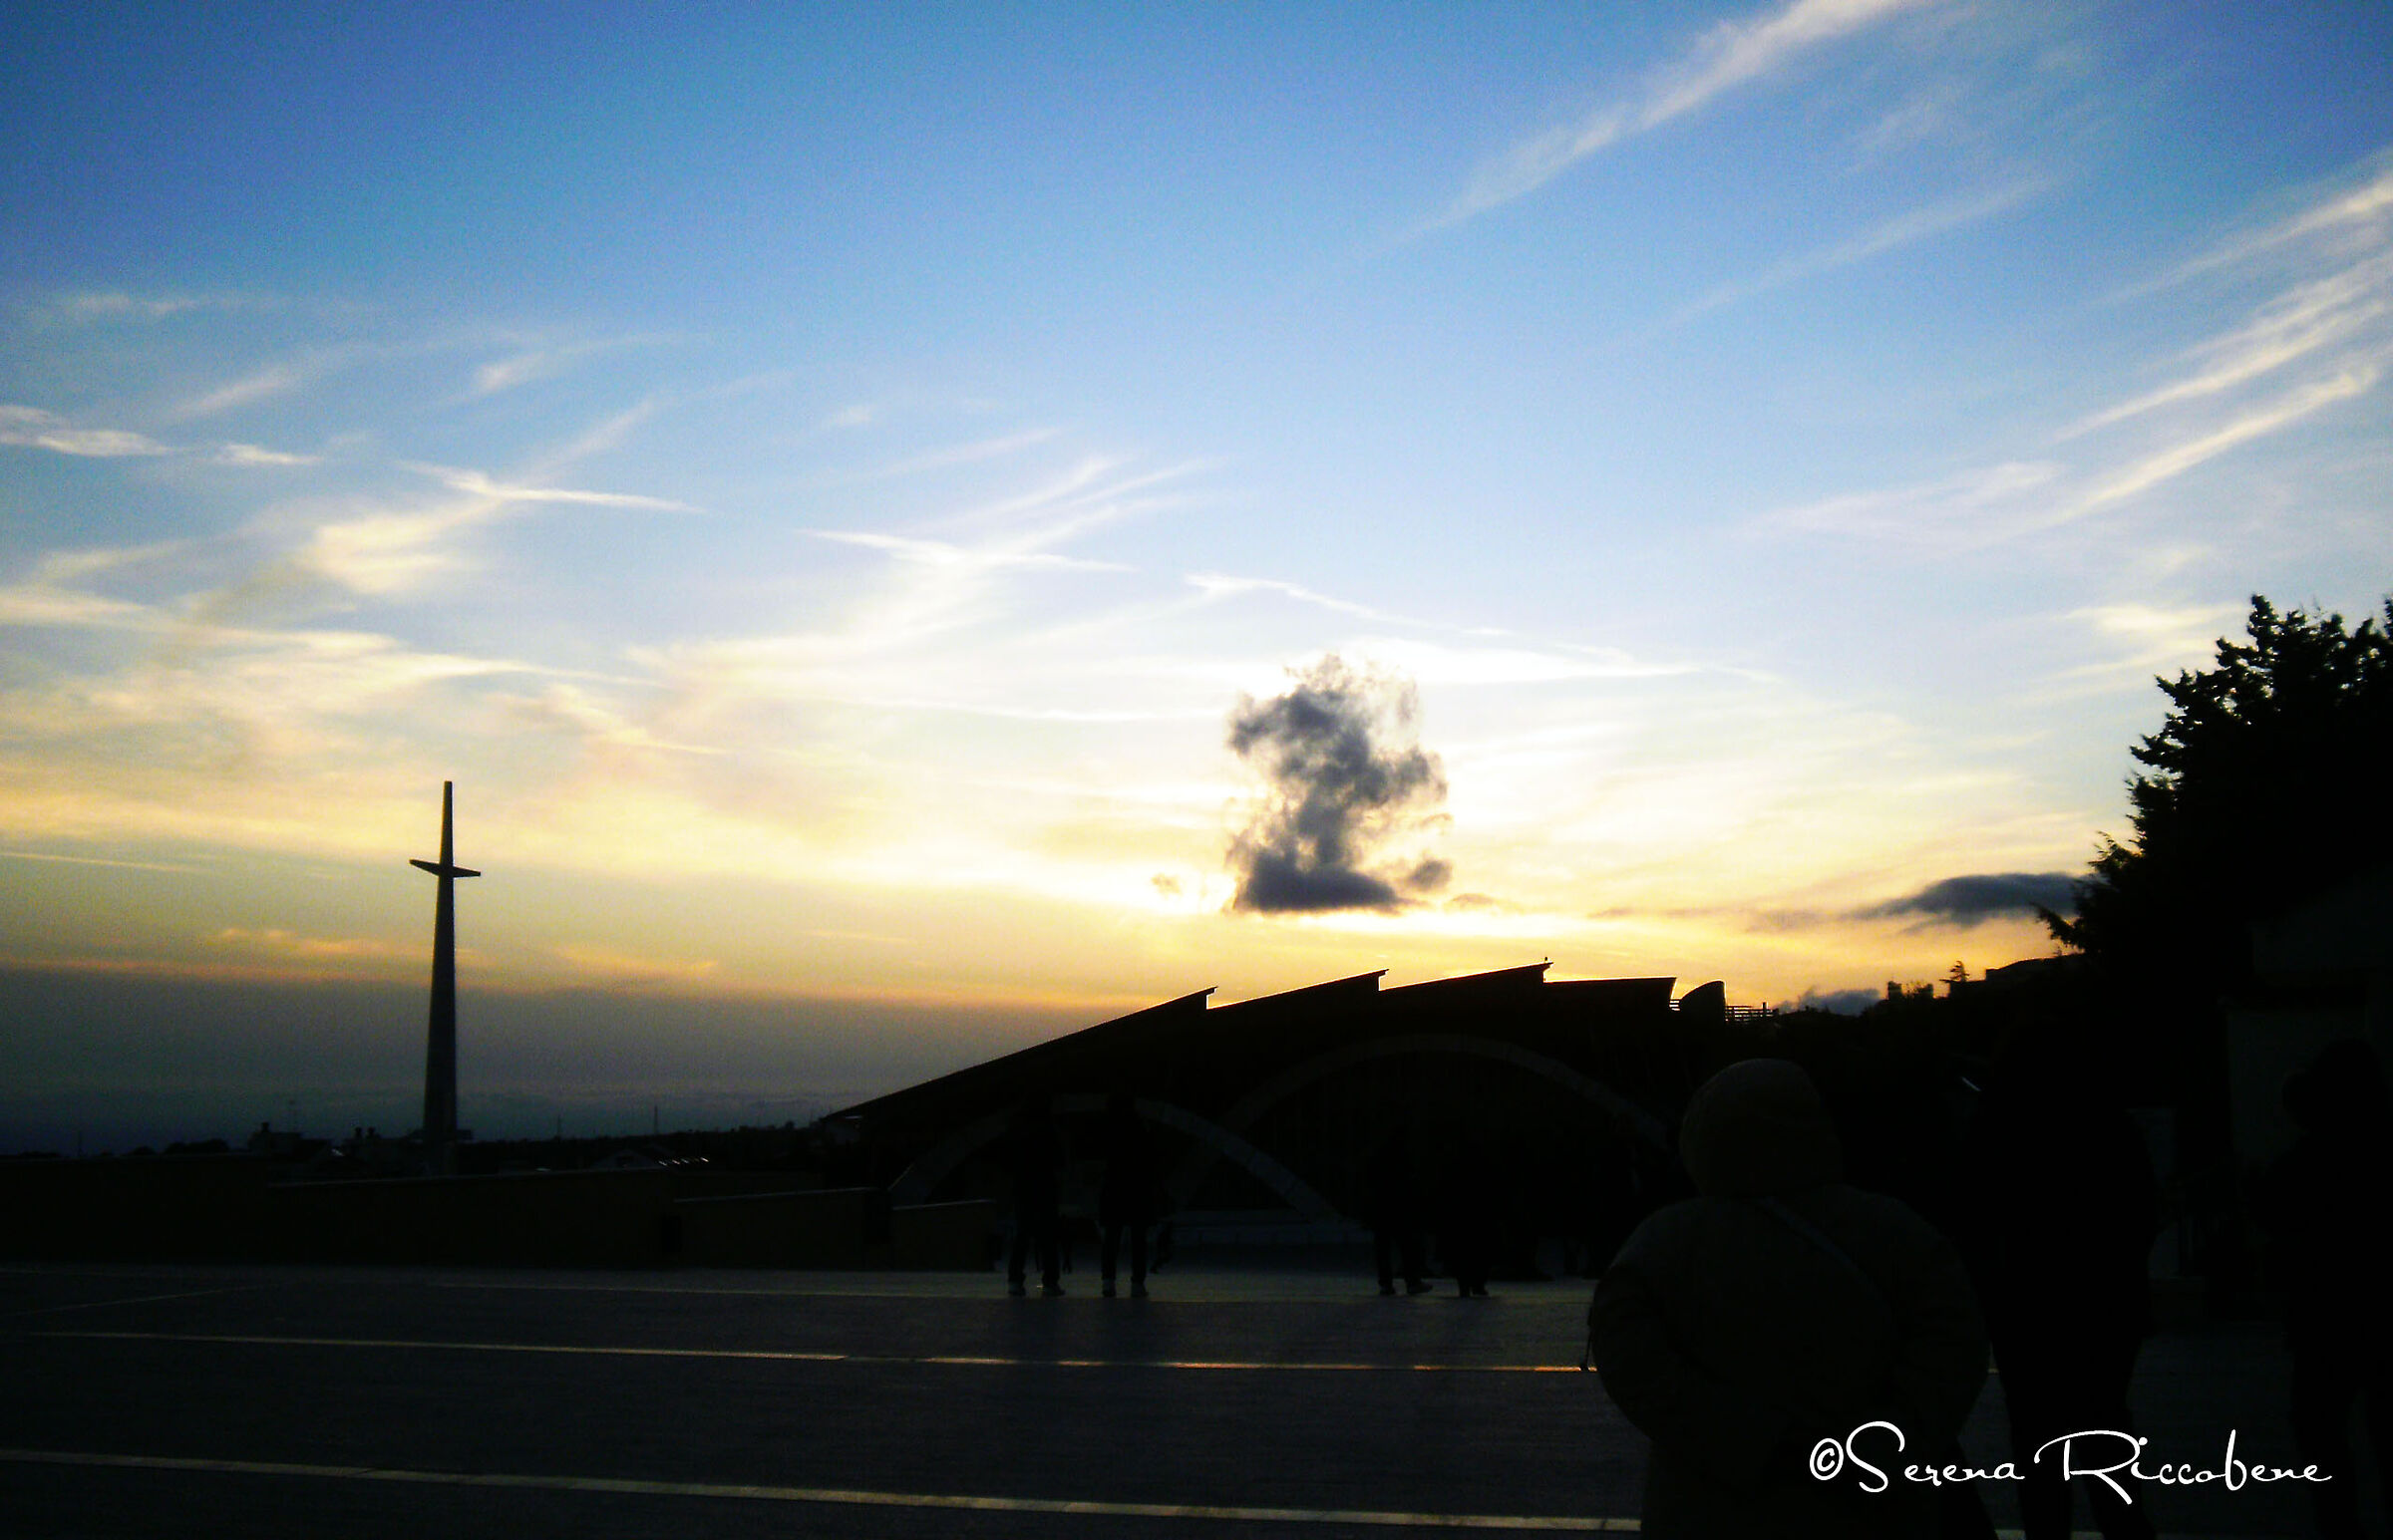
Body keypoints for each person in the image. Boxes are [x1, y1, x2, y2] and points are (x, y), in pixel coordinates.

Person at [1587, 1059, 1987, 1540]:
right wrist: (1886, 1438)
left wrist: (1749, 1441)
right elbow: (1953, 1345)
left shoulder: (1664, 1242)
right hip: (1875, 1507)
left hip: (1710, 1507)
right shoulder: (1893, 1229)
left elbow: (1631, 1362)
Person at [1960, 1019, 2159, 1540]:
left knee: (2036, 1442)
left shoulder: (1997, 1123)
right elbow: (2142, 1212)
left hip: (2027, 1304)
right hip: (2106, 1302)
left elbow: (1975, 1218)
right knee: (2105, 1428)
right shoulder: (2107, 1122)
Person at [2253, 1038, 2393, 1540]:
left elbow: (2271, 1213)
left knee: (2319, 1433)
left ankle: (2339, 1526)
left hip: (2325, 1319)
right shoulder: (2374, 1148)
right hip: (2369, 1314)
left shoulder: (2310, 1158)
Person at [1003, 1095, 1065, 1297]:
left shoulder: (1016, 1130)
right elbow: (1059, 1159)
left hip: (1023, 1188)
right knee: (1048, 1236)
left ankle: (1014, 1279)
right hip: (1044, 1187)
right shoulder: (1047, 1129)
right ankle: (1050, 1281)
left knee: (1022, 1234)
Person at [1098, 1090, 1158, 1298]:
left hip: (1114, 1187)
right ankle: (1137, 1283)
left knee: (1111, 1238)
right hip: (1137, 1187)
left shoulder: (1107, 1127)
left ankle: (1108, 1282)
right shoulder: (1140, 1125)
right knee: (1137, 1238)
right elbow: (1150, 1156)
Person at [1364, 1128, 1431, 1296]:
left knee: (1384, 1248)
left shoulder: (1378, 1160)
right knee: (1407, 1246)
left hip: (1383, 1208)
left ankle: (1387, 1283)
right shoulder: (1403, 1160)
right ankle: (1411, 1281)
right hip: (1400, 1208)